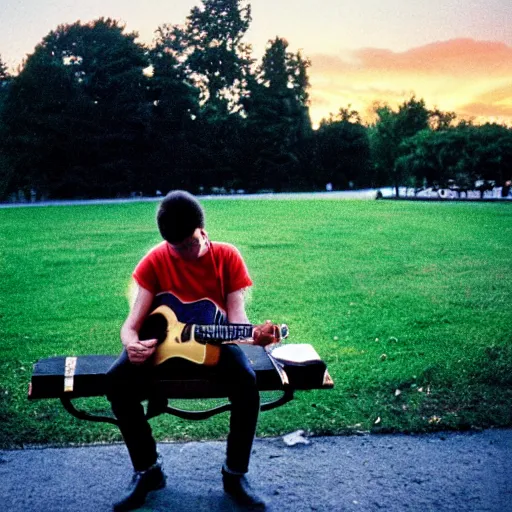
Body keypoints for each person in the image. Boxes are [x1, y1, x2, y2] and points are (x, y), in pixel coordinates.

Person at [106, 190, 271, 511]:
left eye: (191, 243)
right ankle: (148, 470)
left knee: (246, 383)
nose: (184, 253)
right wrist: (131, 344)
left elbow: (238, 320)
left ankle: (235, 475)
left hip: (212, 346)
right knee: (115, 381)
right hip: (161, 346)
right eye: (176, 247)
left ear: (203, 231)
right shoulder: (156, 259)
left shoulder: (227, 257)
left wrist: (256, 337)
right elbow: (130, 326)